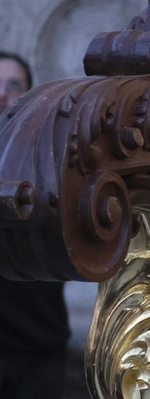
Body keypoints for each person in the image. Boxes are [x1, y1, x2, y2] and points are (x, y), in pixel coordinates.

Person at [0, 51, 70, 399]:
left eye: (13, 86)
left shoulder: (51, 162)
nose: (2, 95)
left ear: (28, 98)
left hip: (38, 354)